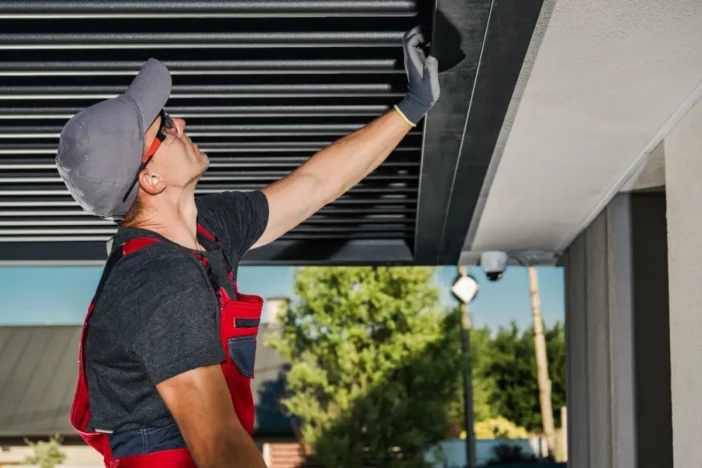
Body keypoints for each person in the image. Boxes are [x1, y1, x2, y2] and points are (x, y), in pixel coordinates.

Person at [58, 26, 439, 468]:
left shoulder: (207, 230)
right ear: (151, 180)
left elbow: (314, 185)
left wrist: (410, 109)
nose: (180, 124)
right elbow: (220, 448)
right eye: (164, 127)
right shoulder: (159, 282)